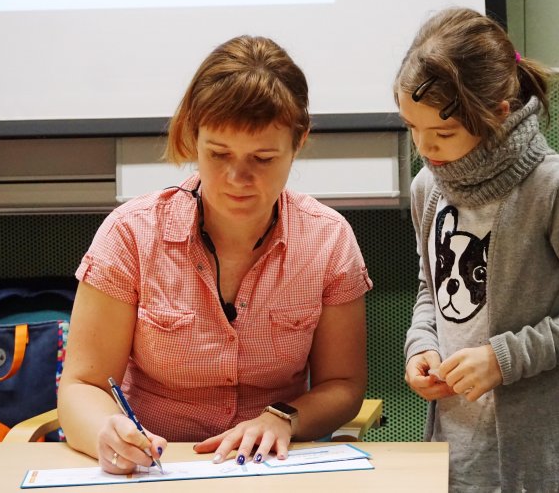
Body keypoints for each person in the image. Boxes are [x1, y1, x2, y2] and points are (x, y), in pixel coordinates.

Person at [58, 35, 373, 474]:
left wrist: (285, 417)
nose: (237, 177)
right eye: (218, 153)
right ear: (193, 136)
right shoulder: (131, 234)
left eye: (262, 158)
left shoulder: (328, 240)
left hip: (272, 469)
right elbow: (82, 385)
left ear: (298, 143)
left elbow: (343, 385)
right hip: (156, 470)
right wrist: (106, 433)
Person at [397, 7, 559, 493]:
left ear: (497, 114)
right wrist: (421, 346)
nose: (424, 147)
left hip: (534, 463)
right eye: (411, 127)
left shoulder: (555, 185)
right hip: (453, 452)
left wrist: (504, 358)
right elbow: (431, 288)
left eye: (441, 134)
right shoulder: (429, 186)